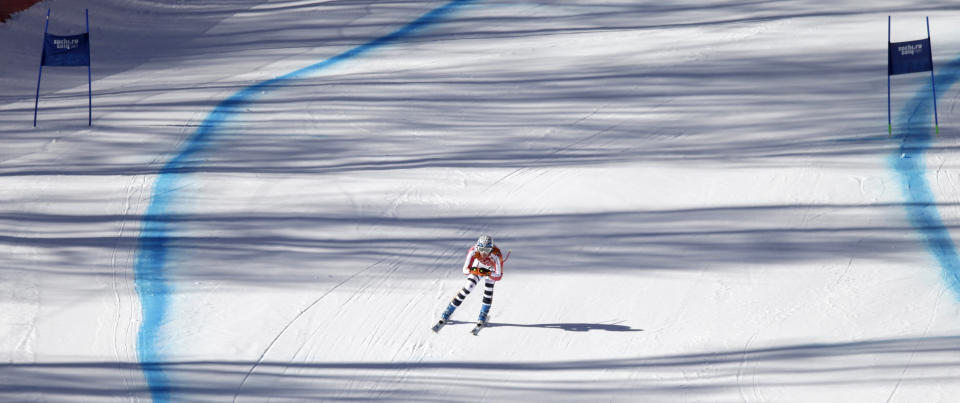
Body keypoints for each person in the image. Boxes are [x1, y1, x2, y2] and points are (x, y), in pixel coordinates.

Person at [437, 235, 505, 328]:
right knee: (468, 287)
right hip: (478, 267)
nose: (484, 253)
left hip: (491, 270)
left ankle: (483, 313)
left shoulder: (496, 254)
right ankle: (449, 309)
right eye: (481, 249)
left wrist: (488, 273)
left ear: (491, 249)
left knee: (488, 290)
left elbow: (499, 275)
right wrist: (472, 270)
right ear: (478, 247)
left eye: (487, 250)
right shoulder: (473, 250)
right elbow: (464, 270)